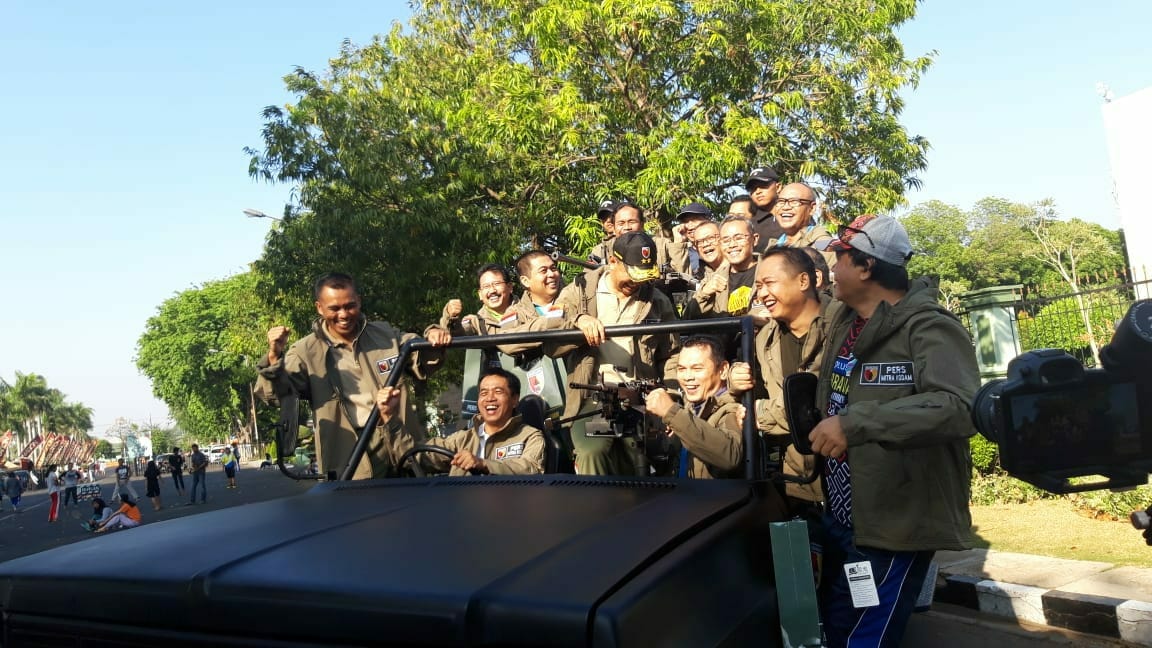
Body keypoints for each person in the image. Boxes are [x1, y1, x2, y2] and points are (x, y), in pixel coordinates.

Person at [808, 214, 979, 647]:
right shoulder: (847, 323)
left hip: (895, 520)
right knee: (842, 623)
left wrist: (855, 424)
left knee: (867, 636)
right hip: (849, 516)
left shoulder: (930, 327)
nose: (833, 269)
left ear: (866, 266)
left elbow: (958, 407)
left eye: (840, 258)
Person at [256, 272, 450, 479]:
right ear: (319, 308)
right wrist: (274, 356)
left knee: (412, 504)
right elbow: (276, 396)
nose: (344, 314)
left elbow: (424, 359)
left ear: (359, 301)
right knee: (359, 507)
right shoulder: (305, 351)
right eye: (334, 308)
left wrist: (435, 334)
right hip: (348, 448)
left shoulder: (385, 335)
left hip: (397, 436)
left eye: (350, 306)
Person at [552, 231, 681, 475]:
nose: (638, 282)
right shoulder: (580, 291)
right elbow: (551, 338)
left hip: (641, 400)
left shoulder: (657, 301)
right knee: (592, 452)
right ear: (613, 262)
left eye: (644, 276)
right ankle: (597, 511)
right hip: (593, 400)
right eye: (632, 274)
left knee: (645, 458)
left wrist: (670, 397)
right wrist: (578, 320)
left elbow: (672, 354)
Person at [729, 247, 831, 505]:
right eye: (759, 286)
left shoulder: (844, 325)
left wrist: (757, 414)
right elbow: (753, 396)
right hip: (797, 482)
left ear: (804, 281)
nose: (762, 294)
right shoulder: (764, 339)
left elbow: (814, 405)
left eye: (769, 283)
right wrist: (736, 385)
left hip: (848, 478)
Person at [378, 367, 545, 476]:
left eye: (498, 391)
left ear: (514, 399)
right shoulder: (462, 439)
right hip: (460, 511)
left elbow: (531, 469)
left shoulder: (530, 436)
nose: (490, 398)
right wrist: (390, 418)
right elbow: (415, 457)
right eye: (484, 393)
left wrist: (484, 464)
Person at [643, 336, 743, 479]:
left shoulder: (733, 408)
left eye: (697, 368)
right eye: (682, 369)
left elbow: (730, 455)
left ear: (722, 370)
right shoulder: (689, 407)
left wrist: (672, 413)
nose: (688, 377)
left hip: (717, 500)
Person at [685, 216, 761, 320]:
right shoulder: (713, 278)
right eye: (726, 240)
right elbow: (689, 319)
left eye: (739, 238)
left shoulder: (771, 271)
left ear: (755, 239)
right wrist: (704, 294)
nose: (732, 244)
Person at [610, 201, 690, 275]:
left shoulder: (661, 245)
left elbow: (683, 276)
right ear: (613, 228)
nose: (627, 227)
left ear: (642, 225)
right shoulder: (602, 250)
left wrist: (679, 245)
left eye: (632, 222)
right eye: (621, 223)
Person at [767, 183, 833, 261]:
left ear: (811, 208)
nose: (785, 207)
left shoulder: (823, 244)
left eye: (794, 202)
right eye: (781, 201)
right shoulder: (772, 248)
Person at [744, 166, 784, 250]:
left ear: (778, 187)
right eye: (753, 189)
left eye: (763, 185)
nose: (758, 191)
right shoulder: (750, 226)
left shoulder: (795, 216)